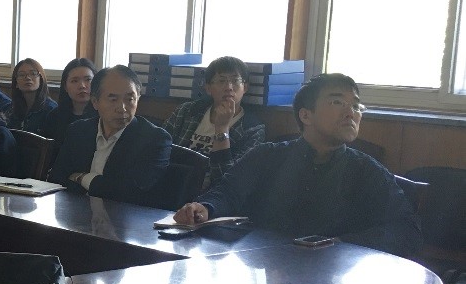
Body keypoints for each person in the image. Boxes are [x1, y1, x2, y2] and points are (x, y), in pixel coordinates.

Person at [174, 73, 421, 256]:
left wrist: (341, 243)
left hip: (334, 276)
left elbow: (406, 230)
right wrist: (204, 207)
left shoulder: (367, 171)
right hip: (265, 265)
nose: (351, 112)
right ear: (306, 115)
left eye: (356, 106)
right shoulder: (267, 156)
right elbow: (228, 191)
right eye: (337, 102)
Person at [47, 65, 171, 206]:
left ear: (138, 99)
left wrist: (83, 178)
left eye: (130, 99)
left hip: (124, 218)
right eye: (113, 99)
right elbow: (57, 179)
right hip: (74, 212)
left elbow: (131, 193)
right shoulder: (78, 131)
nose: (122, 108)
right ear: (95, 102)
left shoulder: (154, 139)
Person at [162, 56, 265, 191]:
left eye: (235, 81)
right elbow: (160, 148)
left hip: (210, 196)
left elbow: (228, 182)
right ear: (208, 88)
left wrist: (222, 128)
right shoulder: (187, 111)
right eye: (221, 81)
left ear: (245, 87)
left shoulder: (253, 129)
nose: (229, 87)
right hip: (171, 184)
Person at [39, 57, 97, 141]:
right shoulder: (54, 117)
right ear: (65, 86)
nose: (82, 86)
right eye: (74, 81)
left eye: (88, 79)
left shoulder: (103, 116)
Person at [6, 58, 57, 135]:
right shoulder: (11, 108)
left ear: (41, 79)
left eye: (33, 73)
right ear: (16, 82)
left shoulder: (51, 110)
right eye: (22, 75)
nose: (28, 78)